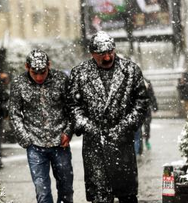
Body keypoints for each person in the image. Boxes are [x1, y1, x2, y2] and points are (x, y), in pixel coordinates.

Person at [67, 31, 149, 203]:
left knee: (127, 195)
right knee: (100, 196)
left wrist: (123, 127)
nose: (107, 57)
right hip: (94, 147)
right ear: (92, 53)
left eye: (110, 52)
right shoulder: (79, 73)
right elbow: (73, 107)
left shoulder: (131, 70)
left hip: (122, 143)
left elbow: (141, 103)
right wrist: (90, 128)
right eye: (101, 54)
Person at [9, 49, 74, 203]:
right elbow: (14, 114)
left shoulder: (61, 79)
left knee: (66, 190)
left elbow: (72, 109)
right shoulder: (19, 84)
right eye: (34, 73)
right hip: (35, 145)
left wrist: (68, 132)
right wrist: (25, 139)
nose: (39, 77)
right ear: (27, 67)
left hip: (60, 143)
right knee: (42, 192)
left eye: (42, 72)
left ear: (49, 66)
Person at [142, 78, 158, 150]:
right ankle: (139, 144)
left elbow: (151, 95)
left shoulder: (147, 82)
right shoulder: (133, 80)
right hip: (137, 108)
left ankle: (146, 140)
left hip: (146, 107)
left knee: (147, 124)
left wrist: (155, 106)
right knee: (138, 127)